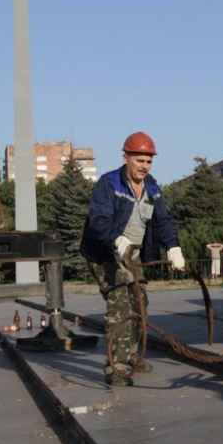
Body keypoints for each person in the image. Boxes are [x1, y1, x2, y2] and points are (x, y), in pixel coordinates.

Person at [80, 131, 185, 387]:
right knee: (120, 307)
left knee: (140, 304)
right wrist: (116, 239)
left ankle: (131, 353)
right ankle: (115, 366)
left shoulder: (152, 188)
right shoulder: (109, 184)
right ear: (126, 158)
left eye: (149, 161)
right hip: (106, 254)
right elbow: (99, 220)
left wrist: (173, 247)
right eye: (140, 161)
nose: (144, 166)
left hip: (132, 257)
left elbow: (163, 222)